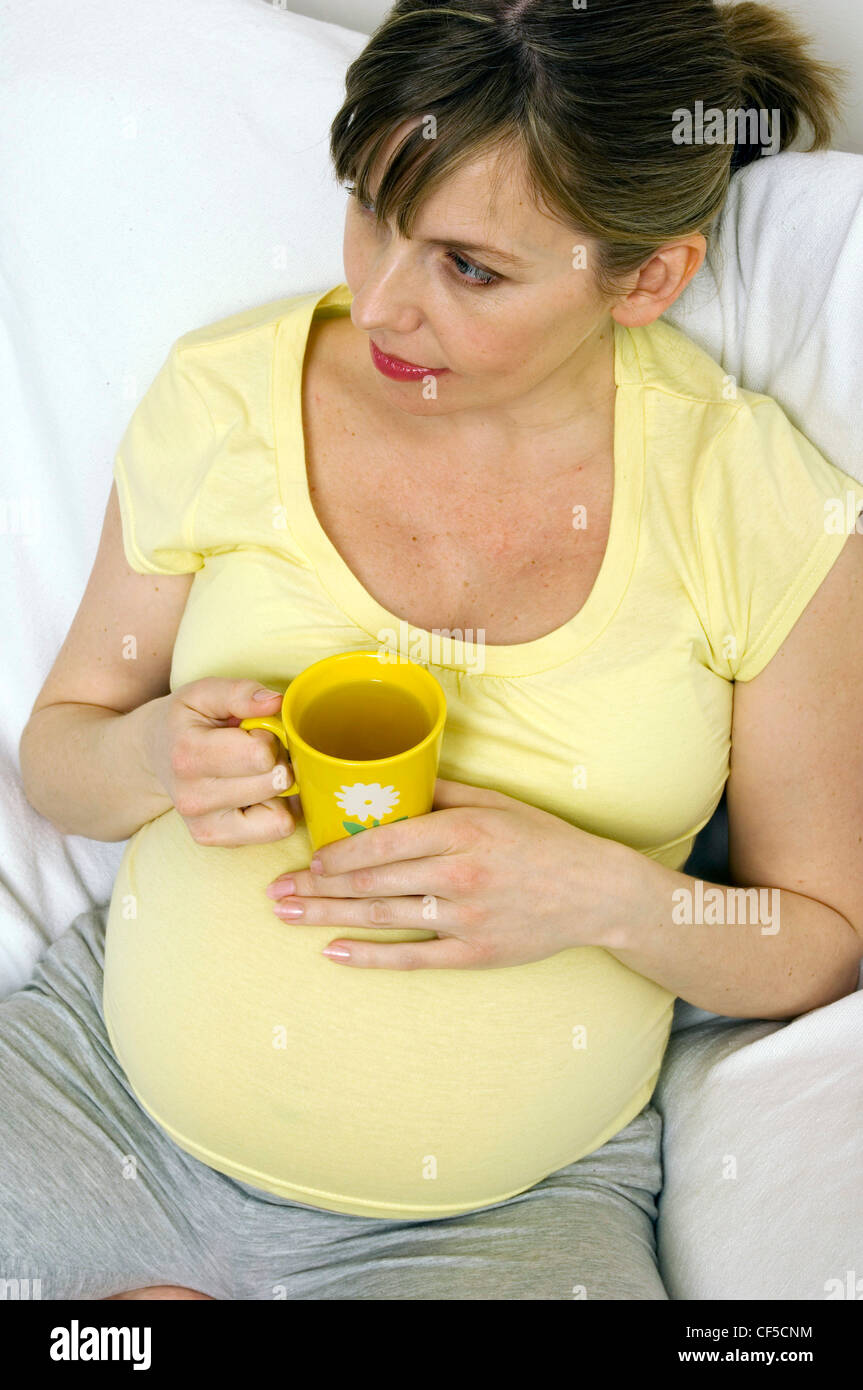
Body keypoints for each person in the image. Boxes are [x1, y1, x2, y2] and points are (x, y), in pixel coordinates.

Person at [7, 0, 863, 1301]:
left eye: (471, 269)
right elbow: (59, 755)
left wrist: (603, 895)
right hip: (97, 1106)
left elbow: (818, 939)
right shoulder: (226, 399)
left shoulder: (752, 505)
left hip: (494, 1224)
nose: (381, 302)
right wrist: (148, 755)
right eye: (371, 211)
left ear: (646, 278)